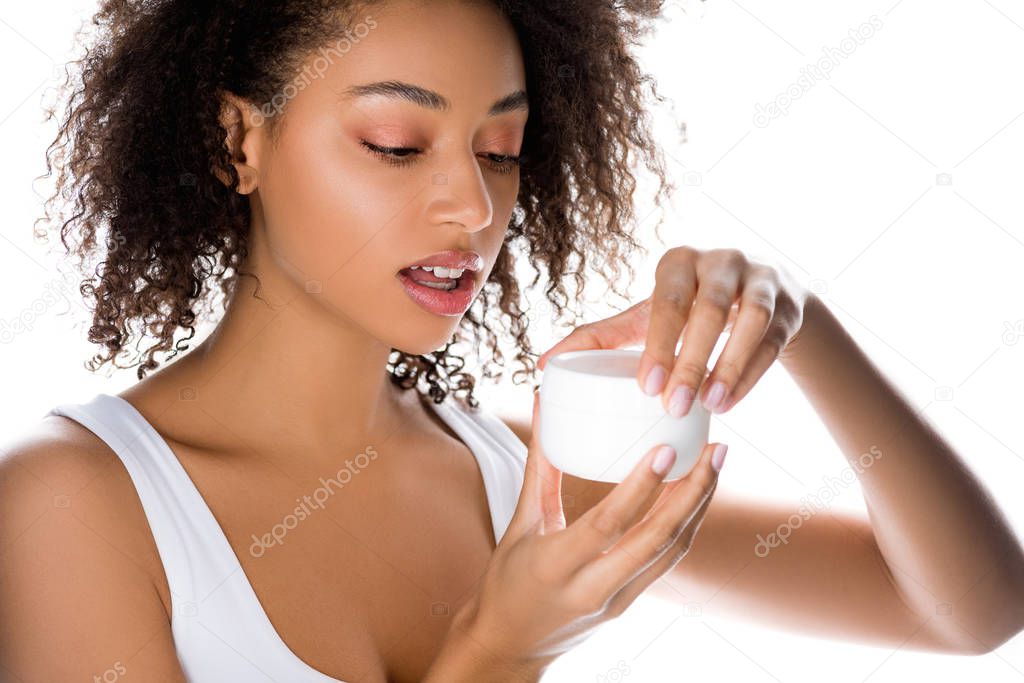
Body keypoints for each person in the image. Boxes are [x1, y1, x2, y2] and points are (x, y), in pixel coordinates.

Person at [2, 0, 1022, 681]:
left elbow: (964, 610)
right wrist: (497, 649)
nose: (471, 205)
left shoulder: (516, 471)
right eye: (397, 145)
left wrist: (796, 318)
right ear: (240, 142)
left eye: (501, 149)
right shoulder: (70, 504)